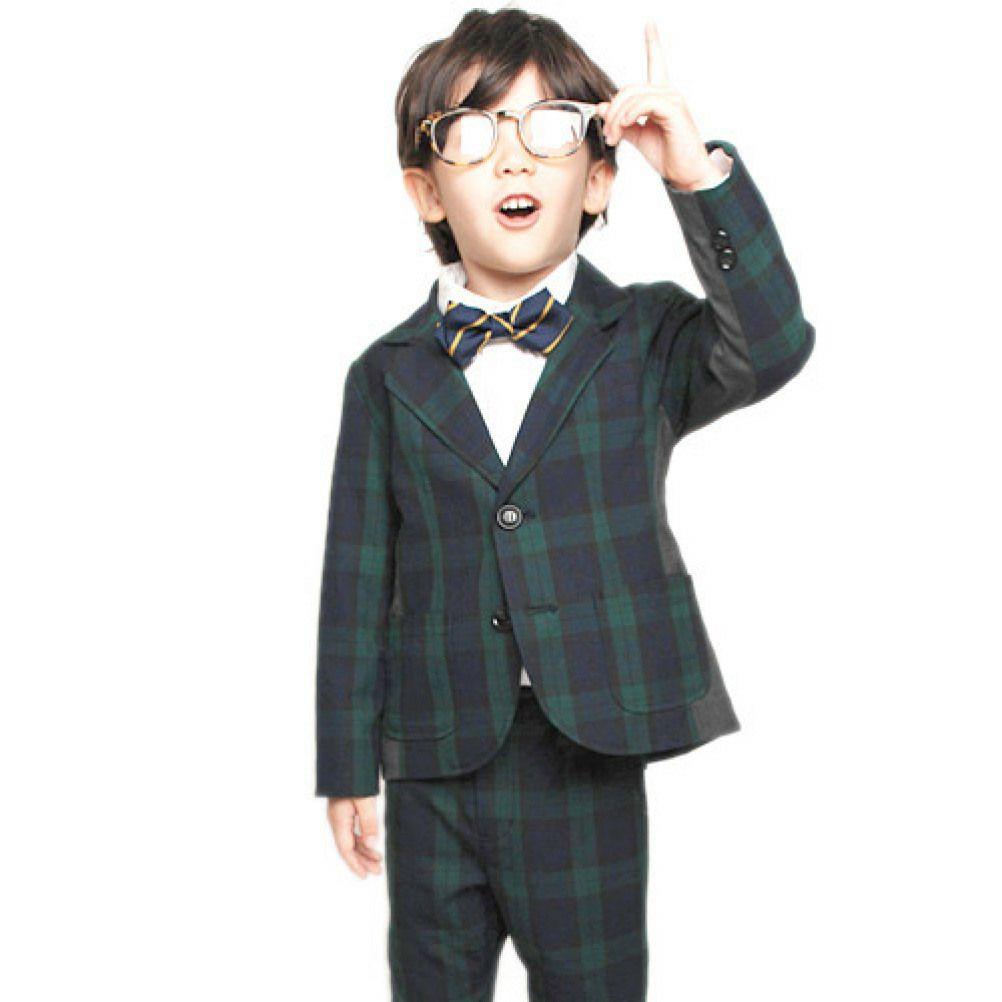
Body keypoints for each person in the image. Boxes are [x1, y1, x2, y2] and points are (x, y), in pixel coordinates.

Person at [315, 8, 814, 1000]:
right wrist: (345, 765)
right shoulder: (386, 375)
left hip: (587, 744)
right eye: (472, 133)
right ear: (425, 189)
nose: (513, 158)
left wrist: (695, 174)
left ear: (597, 178)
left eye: (549, 130)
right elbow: (355, 578)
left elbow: (771, 343)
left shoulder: (647, 338)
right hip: (434, 752)